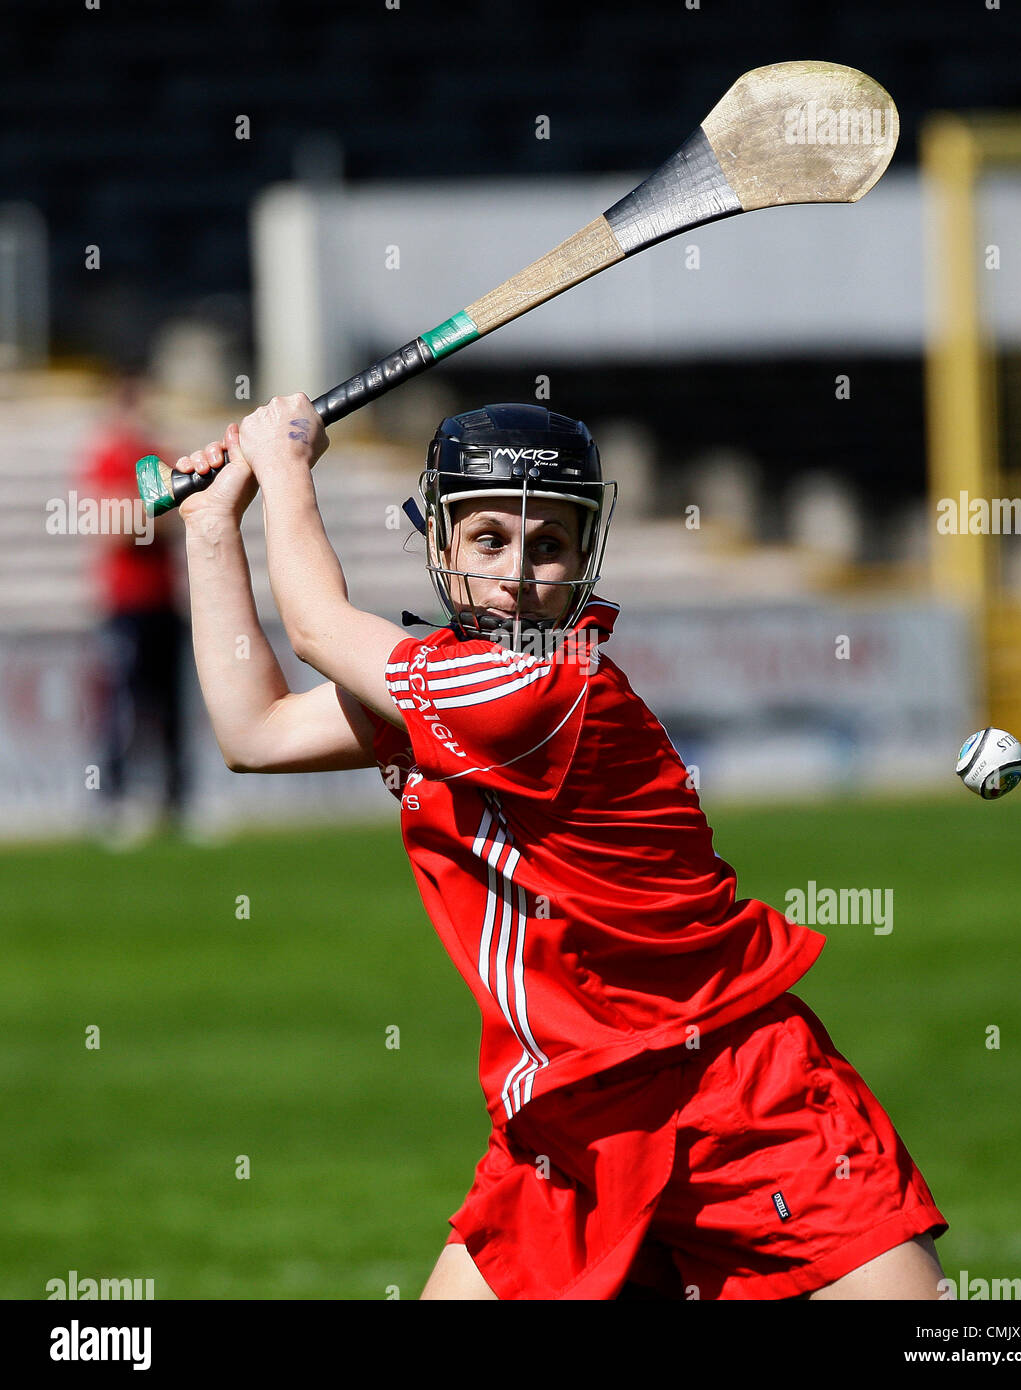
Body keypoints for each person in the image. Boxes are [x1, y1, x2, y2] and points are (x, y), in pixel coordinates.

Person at [176, 393, 948, 1300]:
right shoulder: (445, 692)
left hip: (735, 1092)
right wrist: (209, 525)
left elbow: (313, 628)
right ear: (441, 547)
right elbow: (255, 731)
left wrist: (285, 466)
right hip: (566, 1124)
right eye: (490, 539)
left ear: (584, 560)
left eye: (547, 546)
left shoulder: (543, 689)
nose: (517, 574)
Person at [81, 371, 187, 840]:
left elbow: (178, 518)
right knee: (124, 704)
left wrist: (138, 512)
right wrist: (146, 512)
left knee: (171, 705)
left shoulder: (159, 456)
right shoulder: (107, 457)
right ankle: (115, 799)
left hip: (165, 600)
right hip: (124, 602)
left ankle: (176, 801)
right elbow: (114, 528)